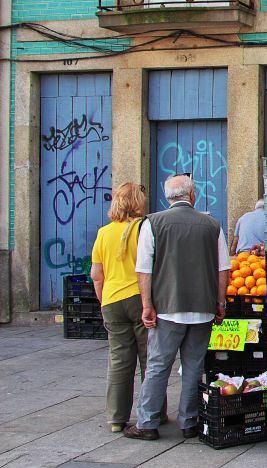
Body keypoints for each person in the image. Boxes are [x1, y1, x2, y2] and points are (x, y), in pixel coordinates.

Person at [124, 174, 231, 441]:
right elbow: (223, 269)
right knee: (194, 365)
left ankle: (147, 422)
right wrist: (220, 302)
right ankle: (189, 422)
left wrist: (147, 305)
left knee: (158, 365)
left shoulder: (152, 223)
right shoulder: (212, 224)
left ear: (167, 197)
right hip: (202, 307)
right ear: (192, 195)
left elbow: (144, 269)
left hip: (166, 308)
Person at [90, 183, 149, 433]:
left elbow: (97, 274)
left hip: (112, 300)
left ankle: (116, 418)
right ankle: (151, 413)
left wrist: (104, 301)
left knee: (119, 360)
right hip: (139, 298)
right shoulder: (143, 228)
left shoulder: (103, 233)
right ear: (138, 202)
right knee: (149, 360)